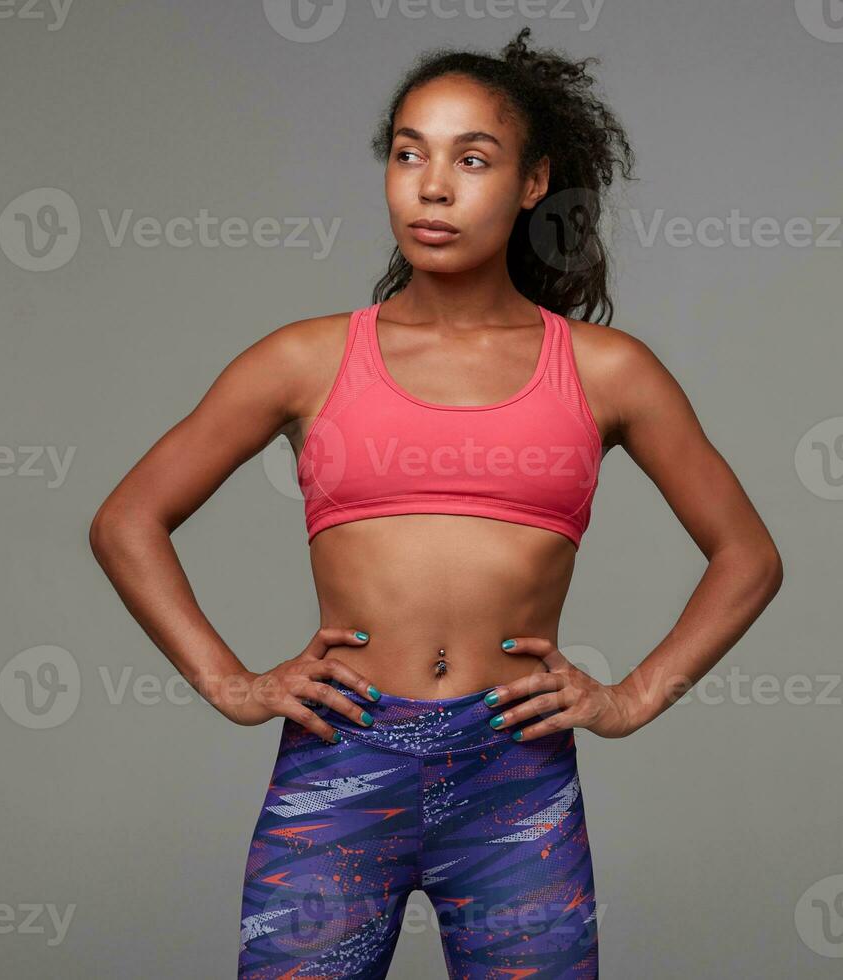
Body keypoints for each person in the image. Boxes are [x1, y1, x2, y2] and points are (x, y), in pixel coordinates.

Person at [88, 28, 784, 980]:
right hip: (340, 766)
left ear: (533, 182)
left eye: (472, 159)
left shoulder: (606, 372)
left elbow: (748, 555)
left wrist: (630, 698)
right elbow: (127, 519)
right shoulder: (307, 358)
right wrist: (231, 682)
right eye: (409, 153)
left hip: (514, 778)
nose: (433, 184)